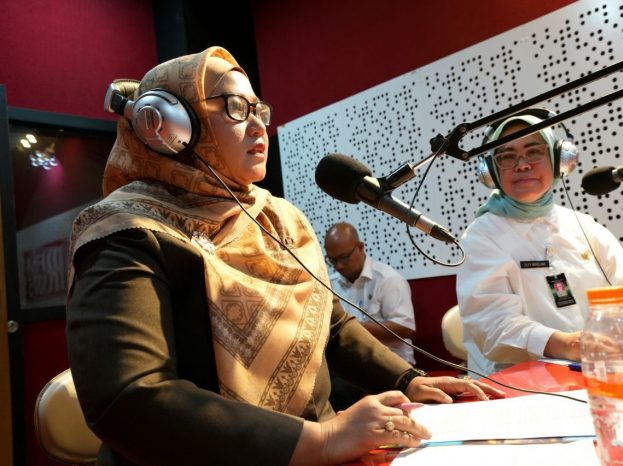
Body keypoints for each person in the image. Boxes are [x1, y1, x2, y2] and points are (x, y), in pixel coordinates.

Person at [65, 46, 504, 466]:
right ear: (169, 125)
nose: (258, 125)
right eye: (235, 107)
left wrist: (408, 380)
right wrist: (323, 439)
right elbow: (129, 398)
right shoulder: (125, 233)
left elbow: (330, 325)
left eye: (259, 109)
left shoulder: (276, 218)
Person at [456, 111, 623, 377]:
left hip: (598, 370)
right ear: (491, 171)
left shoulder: (584, 225)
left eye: (534, 152)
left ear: (559, 160)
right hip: (519, 381)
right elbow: (493, 326)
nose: (522, 165)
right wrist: (566, 344)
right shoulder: (482, 235)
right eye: (507, 156)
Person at [324, 223, 417, 364]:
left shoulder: (388, 279)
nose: (338, 266)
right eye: (332, 260)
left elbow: (405, 329)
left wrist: (350, 328)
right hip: (348, 364)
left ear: (360, 247)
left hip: (391, 363)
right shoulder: (329, 284)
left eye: (343, 258)